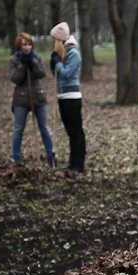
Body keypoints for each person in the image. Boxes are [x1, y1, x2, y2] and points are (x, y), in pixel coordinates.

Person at [10, 32, 57, 168]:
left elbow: (41, 73)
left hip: (38, 97)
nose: (27, 47)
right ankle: (16, 158)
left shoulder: (37, 57)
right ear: (19, 46)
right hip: (21, 99)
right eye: (24, 44)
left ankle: (51, 157)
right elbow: (15, 79)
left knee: (44, 128)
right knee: (19, 129)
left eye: (29, 44)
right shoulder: (14, 60)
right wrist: (23, 65)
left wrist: (32, 62)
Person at [50, 24, 86, 174]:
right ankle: (72, 163)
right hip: (63, 96)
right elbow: (57, 76)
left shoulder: (73, 54)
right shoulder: (63, 53)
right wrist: (54, 65)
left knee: (76, 132)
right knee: (70, 132)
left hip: (72, 97)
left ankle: (79, 164)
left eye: (54, 40)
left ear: (59, 39)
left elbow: (66, 73)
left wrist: (58, 63)